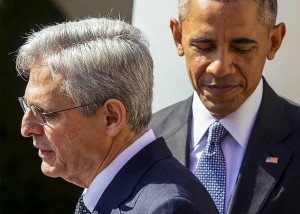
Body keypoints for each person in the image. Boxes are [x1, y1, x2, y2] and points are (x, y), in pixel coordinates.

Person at [16, 17, 218, 214]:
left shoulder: (167, 207)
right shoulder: (108, 189)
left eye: (45, 113)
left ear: (111, 118)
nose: (26, 128)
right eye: (28, 106)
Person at [150, 0, 300, 213]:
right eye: (203, 46)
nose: (220, 67)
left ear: (274, 41)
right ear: (178, 38)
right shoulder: (144, 140)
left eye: (242, 48)